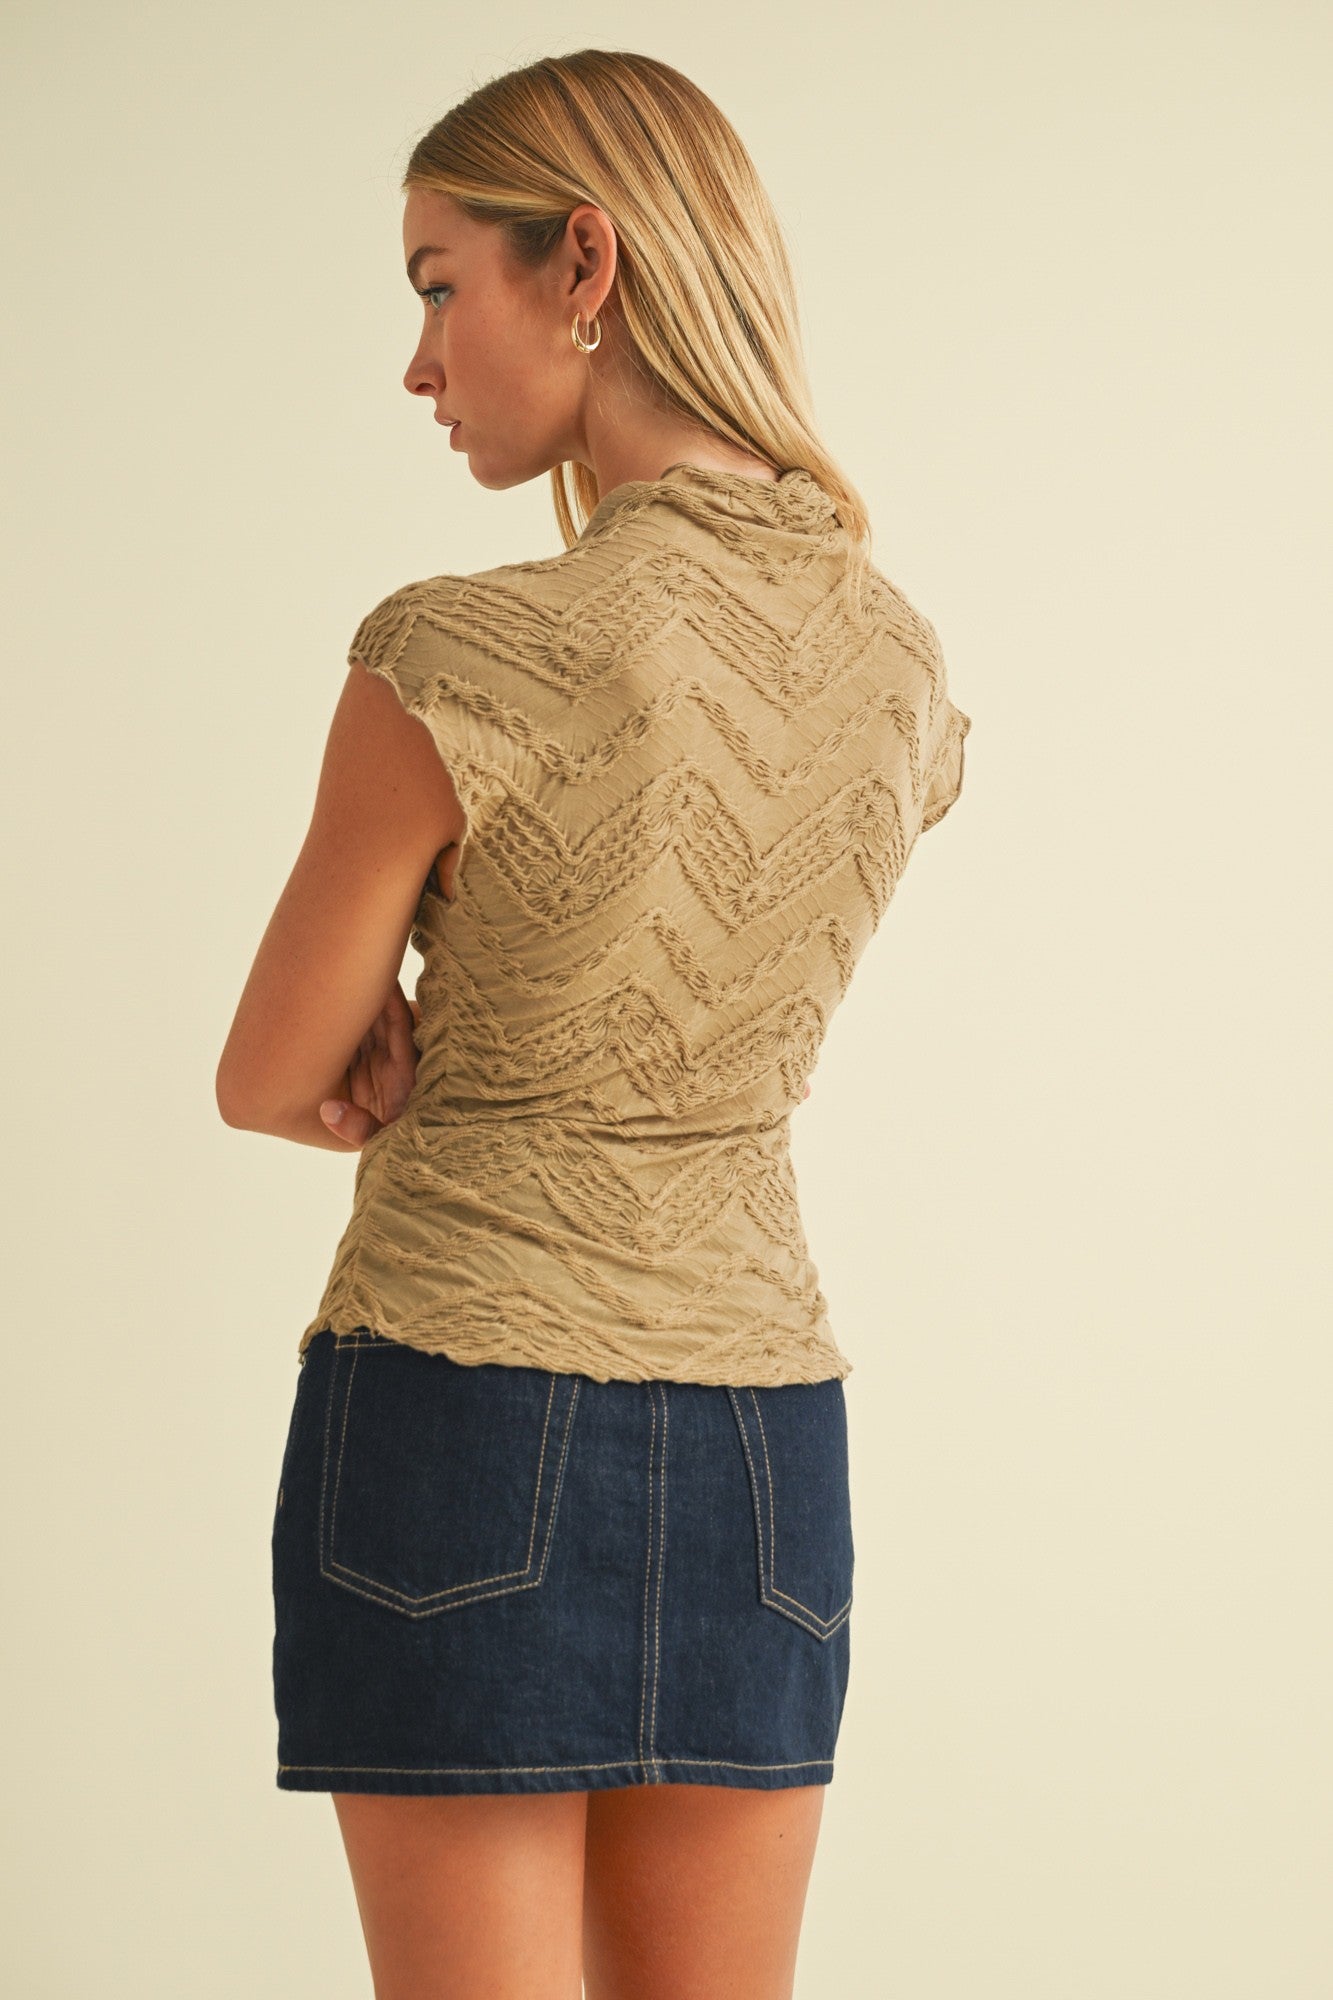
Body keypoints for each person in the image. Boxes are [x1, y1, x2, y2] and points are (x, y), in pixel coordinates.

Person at [216, 47, 970, 2000]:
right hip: (760, 1440)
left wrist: (394, 1025)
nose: (418, 361)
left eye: (436, 283)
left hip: (464, 1397)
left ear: (586, 263)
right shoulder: (895, 660)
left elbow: (268, 1073)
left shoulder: (464, 649)